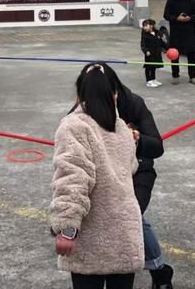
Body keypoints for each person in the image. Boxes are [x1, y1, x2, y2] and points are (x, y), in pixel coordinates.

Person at [51, 63, 143, 289]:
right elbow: (131, 168)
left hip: (93, 234)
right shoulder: (122, 128)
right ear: (114, 94)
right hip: (124, 231)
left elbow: (72, 178)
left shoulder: (73, 126)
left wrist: (68, 228)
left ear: (80, 94)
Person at [102, 63, 174, 289]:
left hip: (138, 171)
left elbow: (157, 147)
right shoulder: (82, 109)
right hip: (105, 175)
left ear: (116, 91)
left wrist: (136, 138)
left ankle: (160, 271)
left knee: (132, 215)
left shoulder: (133, 103)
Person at [162, 0, 195, 85]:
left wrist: (190, 18)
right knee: (174, 54)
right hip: (176, 31)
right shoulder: (171, 0)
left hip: (189, 31)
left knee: (191, 55)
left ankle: (192, 76)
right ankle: (175, 75)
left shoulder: (192, 0)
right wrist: (176, 18)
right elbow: (166, 15)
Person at [140, 19, 167, 88]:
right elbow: (142, 45)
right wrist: (146, 51)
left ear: (151, 26)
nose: (144, 27)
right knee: (148, 67)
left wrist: (167, 48)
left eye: (146, 25)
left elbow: (161, 42)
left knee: (154, 67)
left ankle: (153, 79)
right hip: (149, 54)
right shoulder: (144, 35)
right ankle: (148, 81)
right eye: (143, 26)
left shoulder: (157, 33)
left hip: (156, 53)